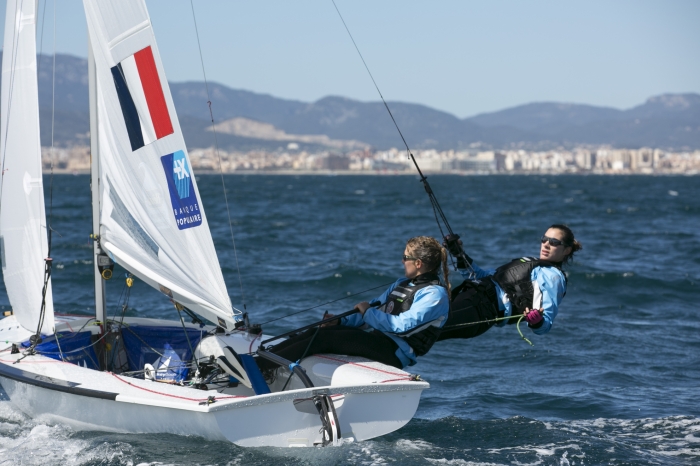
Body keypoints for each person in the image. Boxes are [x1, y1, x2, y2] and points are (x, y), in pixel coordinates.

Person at [256, 236, 451, 371]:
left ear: (418, 263)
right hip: (378, 340)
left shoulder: (435, 295)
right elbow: (372, 311)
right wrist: (340, 321)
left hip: (395, 352)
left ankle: (259, 368)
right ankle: (261, 360)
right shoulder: (401, 284)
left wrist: (367, 312)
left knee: (322, 339)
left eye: (405, 257)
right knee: (317, 331)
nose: (402, 261)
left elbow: (402, 326)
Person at [437, 224, 582, 341]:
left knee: (429, 324)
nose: (546, 245)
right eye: (544, 239)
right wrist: (459, 254)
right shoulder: (531, 262)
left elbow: (545, 324)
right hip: (473, 297)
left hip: (480, 308)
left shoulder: (553, 276)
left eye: (554, 242)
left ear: (567, 250)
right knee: (427, 327)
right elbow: (479, 276)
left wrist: (537, 321)